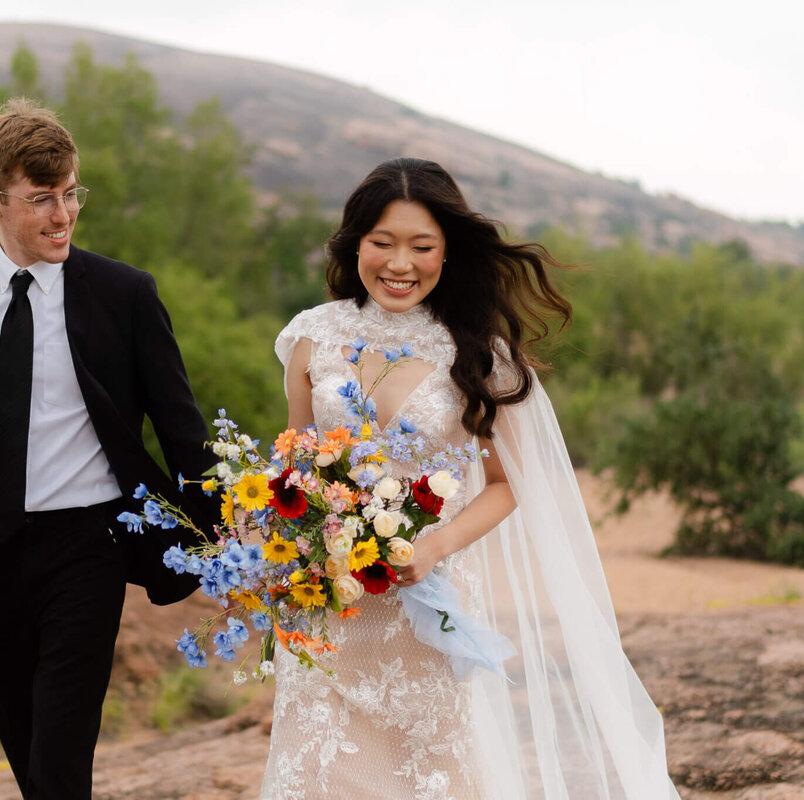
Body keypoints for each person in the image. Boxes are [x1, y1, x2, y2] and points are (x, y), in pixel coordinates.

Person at [261, 158, 679, 799]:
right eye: (383, 243)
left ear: (447, 253)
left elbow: (509, 482)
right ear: (355, 245)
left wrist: (432, 545)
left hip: (424, 609)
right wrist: (271, 533)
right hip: (327, 607)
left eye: (422, 247)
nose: (400, 264)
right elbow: (294, 456)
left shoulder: (478, 354)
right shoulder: (313, 336)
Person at [0, 98, 214, 799]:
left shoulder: (124, 293)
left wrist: (219, 535)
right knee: (32, 761)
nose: (63, 215)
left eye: (71, 193)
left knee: (62, 754)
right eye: (41, 199)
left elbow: (181, 426)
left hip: (89, 545)